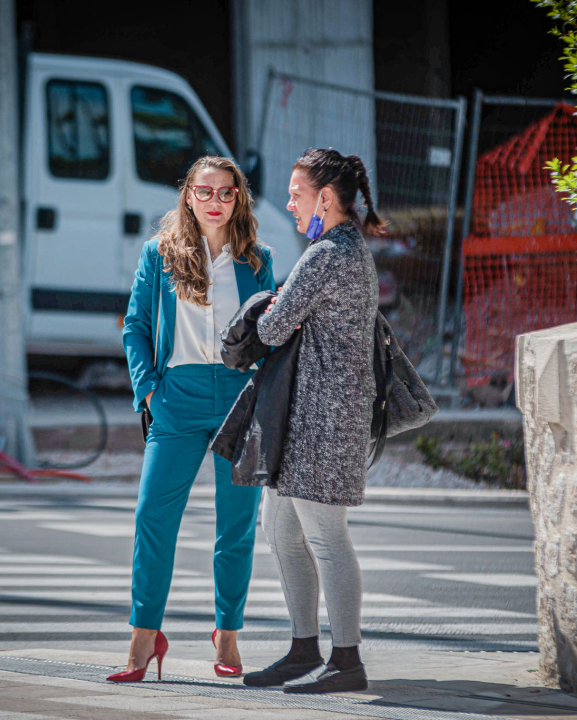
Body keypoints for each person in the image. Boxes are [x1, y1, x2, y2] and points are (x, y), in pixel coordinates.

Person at [112, 156, 275, 682]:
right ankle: (143, 637)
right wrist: (149, 393)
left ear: (237, 199)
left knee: (237, 524)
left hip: (238, 396)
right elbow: (135, 326)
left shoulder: (257, 259)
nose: (214, 201)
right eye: (204, 192)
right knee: (152, 518)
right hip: (175, 397)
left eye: (225, 193)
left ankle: (226, 633)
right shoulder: (157, 255)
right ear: (187, 195)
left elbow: (271, 333)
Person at [242, 148, 383, 694]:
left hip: (326, 421)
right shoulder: (343, 251)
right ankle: (305, 648)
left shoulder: (329, 254)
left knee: (324, 537)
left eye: (297, 194)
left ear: (326, 198)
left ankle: (346, 660)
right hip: (306, 420)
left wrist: (270, 308)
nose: (289, 203)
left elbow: (273, 328)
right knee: (280, 531)